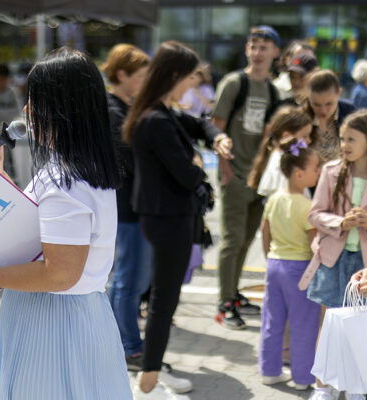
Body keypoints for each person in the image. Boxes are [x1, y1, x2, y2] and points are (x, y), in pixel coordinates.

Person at [0, 47, 132, 400]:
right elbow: (35, 224)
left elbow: (59, 274)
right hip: (79, 317)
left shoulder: (64, 180)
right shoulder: (82, 169)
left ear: (60, 106)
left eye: (35, 100)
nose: (27, 110)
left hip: (52, 324)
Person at [123, 40, 232, 399]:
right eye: (190, 77)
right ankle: (149, 380)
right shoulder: (156, 119)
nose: (193, 84)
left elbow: (200, 125)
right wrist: (198, 165)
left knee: (162, 298)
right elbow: (187, 174)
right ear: (173, 76)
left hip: (166, 217)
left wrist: (217, 138)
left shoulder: (160, 111)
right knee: (163, 301)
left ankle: (151, 372)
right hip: (168, 219)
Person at [302, 109, 367, 400]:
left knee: (360, 326)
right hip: (333, 260)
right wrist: (340, 223)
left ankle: (356, 386)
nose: (344, 144)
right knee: (329, 326)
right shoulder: (331, 170)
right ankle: (322, 387)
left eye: (351, 139)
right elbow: (314, 214)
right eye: (342, 138)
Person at [211, 25, 282, 329]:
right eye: (253, 46)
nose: (258, 52)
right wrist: (226, 173)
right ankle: (224, 303)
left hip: (258, 180)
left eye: (264, 47)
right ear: (246, 50)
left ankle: (234, 293)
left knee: (246, 240)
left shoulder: (273, 90)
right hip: (235, 175)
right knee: (232, 240)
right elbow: (215, 128)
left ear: (275, 52)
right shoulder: (234, 83)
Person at [100, 43, 150, 372]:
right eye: (141, 75)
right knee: (128, 280)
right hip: (127, 207)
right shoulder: (112, 111)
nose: (144, 81)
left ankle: (124, 342)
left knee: (129, 279)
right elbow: (131, 160)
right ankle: (128, 346)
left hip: (131, 206)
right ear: (122, 74)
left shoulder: (122, 107)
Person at [258, 137, 320, 391]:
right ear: (298, 174)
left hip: (274, 264)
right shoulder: (308, 206)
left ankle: (269, 371)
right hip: (299, 268)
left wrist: (269, 256)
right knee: (303, 323)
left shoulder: (274, 199)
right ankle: (303, 378)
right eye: (315, 168)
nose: (318, 173)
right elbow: (314, 243)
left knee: (272, 320)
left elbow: (265, 231)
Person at [249, 106, 314, 197]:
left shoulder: (284, 159)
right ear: (286, 136)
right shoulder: (281, 164)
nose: (309, 141)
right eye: (304, 136)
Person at [304, 69, 355, 165]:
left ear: (339, 92)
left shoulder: (350, 113)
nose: (323, 111)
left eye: (329, 104)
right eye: (316, 105)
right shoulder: (302, 117)